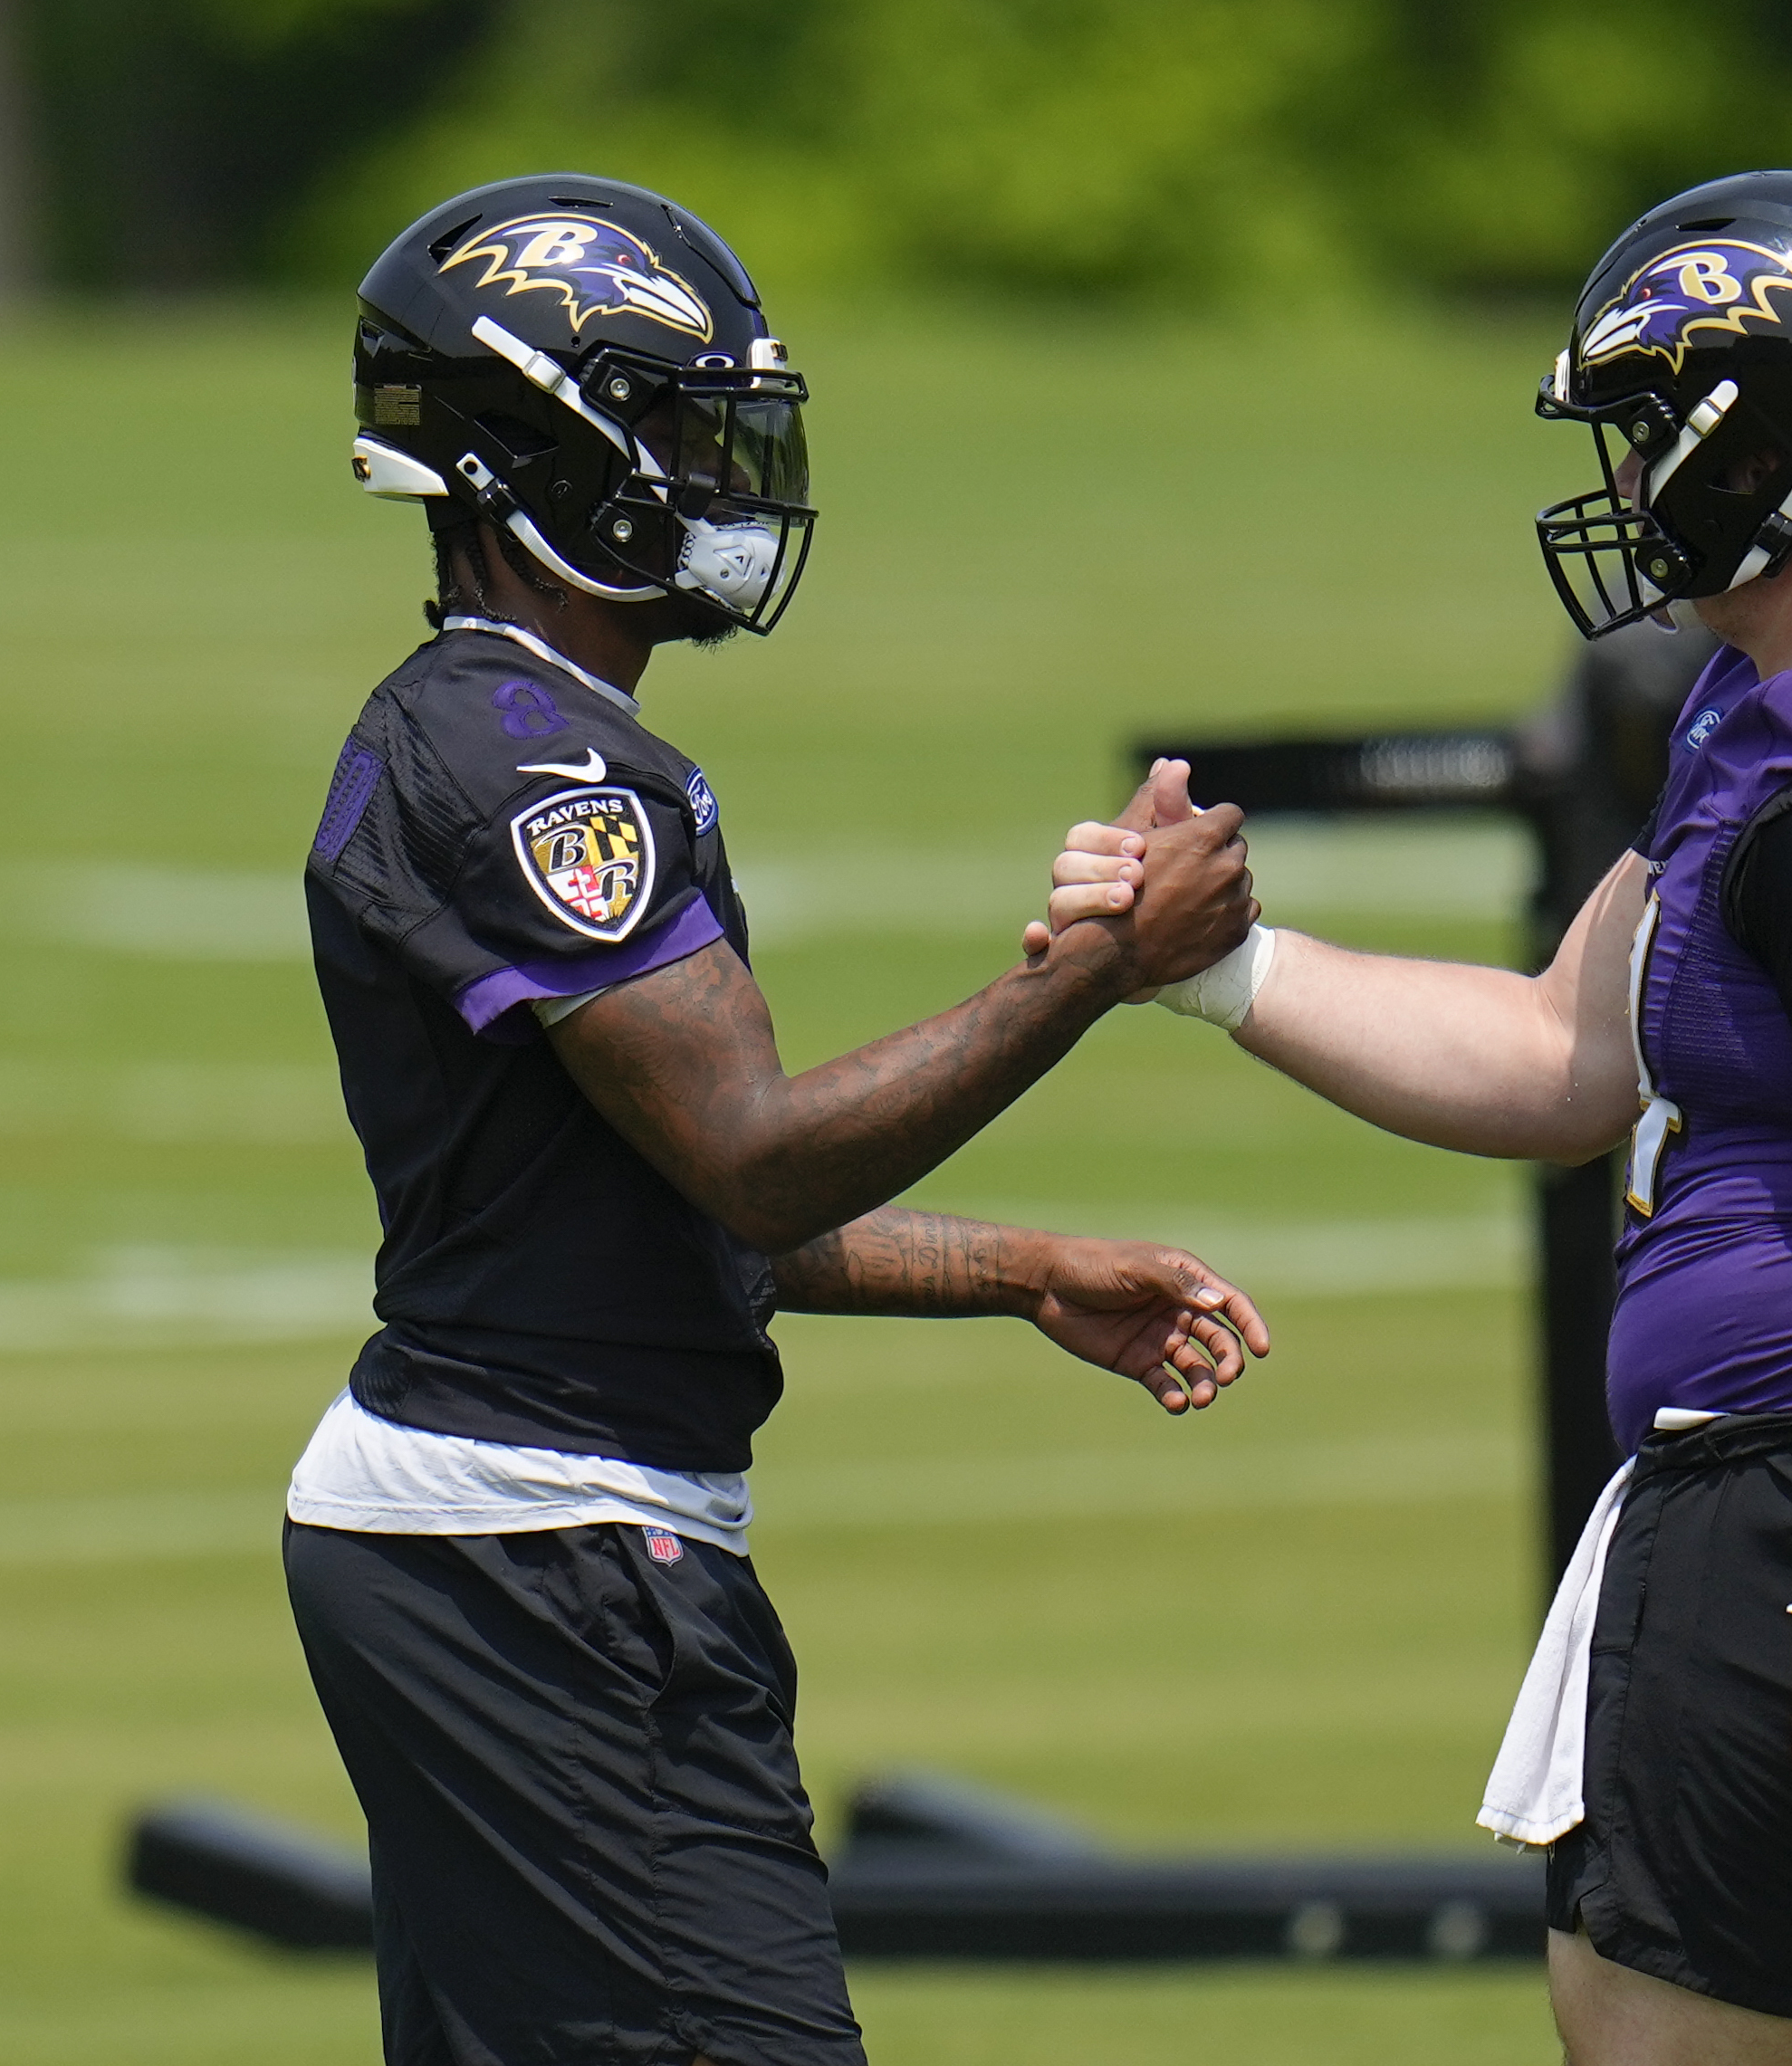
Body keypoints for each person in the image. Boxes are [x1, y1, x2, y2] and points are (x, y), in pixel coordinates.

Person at [1037, 172, 1792, 2063]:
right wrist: (1218, 968)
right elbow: (1560, 1052)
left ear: (1762, 439)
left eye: (1640, 427)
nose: (1618, 478)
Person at [290, 174, 1268, 2066]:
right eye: (669, 422)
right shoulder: (533, 760)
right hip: (545, 1554)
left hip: (499, 1537)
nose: (716, 469)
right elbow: (749, 1153)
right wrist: (1098, 964)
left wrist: (1012, 1268)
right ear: (539, 449)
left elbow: (654, 1204)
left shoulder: (520, 729)